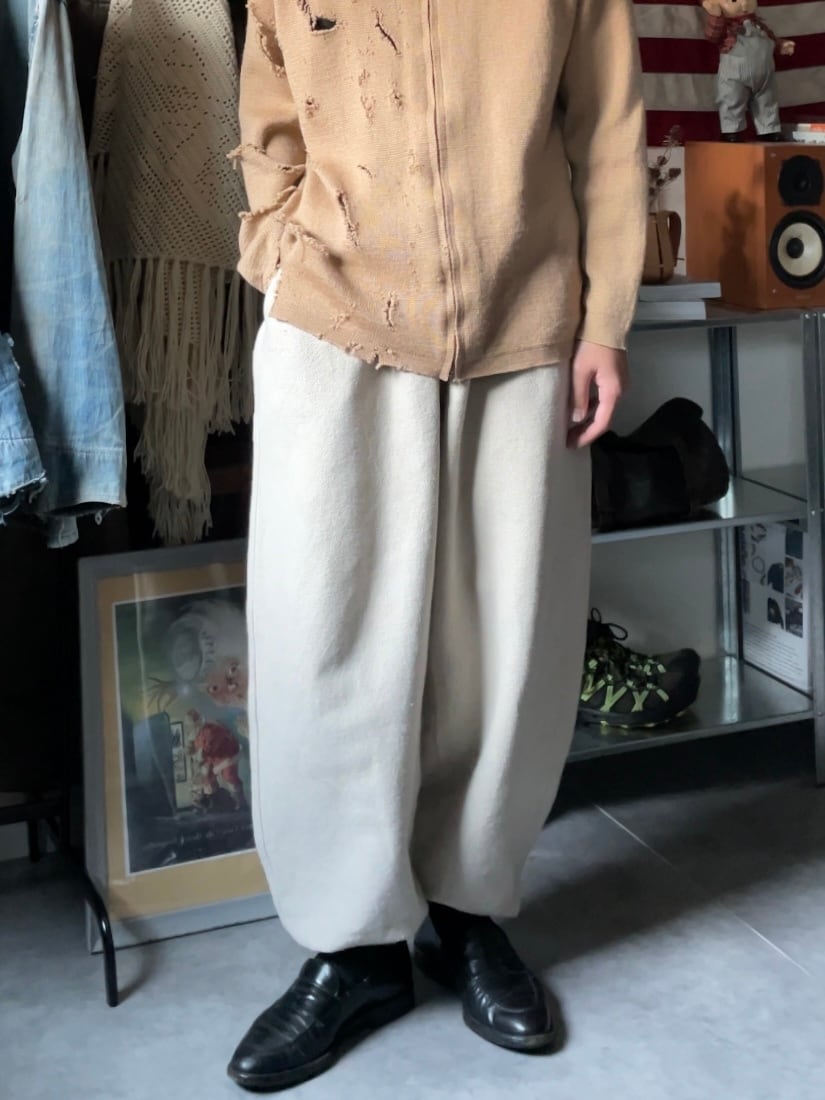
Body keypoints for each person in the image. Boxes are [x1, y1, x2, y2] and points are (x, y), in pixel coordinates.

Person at [228, 0, 646, 1091]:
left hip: (526, 325)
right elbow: (269, 117)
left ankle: (466, 914)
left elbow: (607, 124)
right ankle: (353, 949)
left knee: (504, 645)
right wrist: (279, 254)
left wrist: (604, 323)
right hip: (333, 324)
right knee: (323, 635)